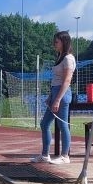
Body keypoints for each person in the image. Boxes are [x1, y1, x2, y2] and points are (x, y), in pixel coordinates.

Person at [31, 31, 75, 164]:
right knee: (44, 124)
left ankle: (65, 156)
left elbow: (67, 80)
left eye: (56, 42)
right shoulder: (60, 57)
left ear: (64, 42)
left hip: (63, 94)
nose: (54, 44)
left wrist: (57, 99)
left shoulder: (68, 58)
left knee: (62, 125)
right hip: (55, 92)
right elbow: (56, 80)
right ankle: (45, 155)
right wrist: (51, 96)